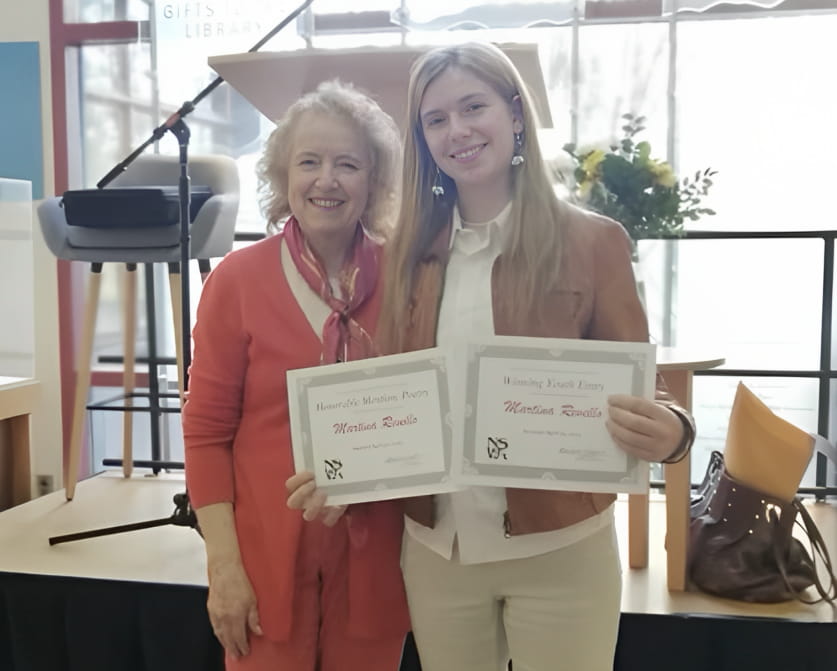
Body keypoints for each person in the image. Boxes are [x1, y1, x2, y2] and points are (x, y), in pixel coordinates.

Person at [373, 42, 696, 670]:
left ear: (516, 113)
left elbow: (646, 389)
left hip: (561, 549)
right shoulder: (403, 255)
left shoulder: (595, 242)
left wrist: (673, 431)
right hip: (439, 550)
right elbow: (392, 392)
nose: (457, 131)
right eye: (435, 119)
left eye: (474, 107)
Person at [182, 80, 409, 671]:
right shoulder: (235, 280)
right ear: (284, 174)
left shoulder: (409, 279)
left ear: (374, 181)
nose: (326, 180)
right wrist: (224, 569)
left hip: (375, 567)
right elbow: (206, 433)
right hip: (263, 567)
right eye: (309, 161)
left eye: (348, 164)